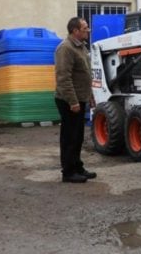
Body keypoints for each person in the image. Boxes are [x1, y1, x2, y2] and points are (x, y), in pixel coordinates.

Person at [54, 17, 97, 183]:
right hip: (68, 100)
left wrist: (90, 96)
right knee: (70, 137)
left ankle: (77, 166)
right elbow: (64, 78)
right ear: (75, 31)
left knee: (78, 136)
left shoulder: (81, 47)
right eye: (85, 28)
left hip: (80, 98)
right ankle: (68, 172)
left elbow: (85, 76)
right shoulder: (65, 49)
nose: (88, 30)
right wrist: (73, 102)